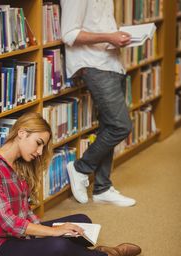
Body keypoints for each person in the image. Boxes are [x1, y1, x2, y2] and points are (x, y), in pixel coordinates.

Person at [0, 112, 141, 256]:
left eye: (42, 147)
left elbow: (25, 210)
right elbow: (9, 222)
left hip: (22, 236)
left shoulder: (18, 164)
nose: (39, 152)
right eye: (38, 143)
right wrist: (53, 232)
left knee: (82, 222)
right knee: (58, 244)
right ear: (21, 133)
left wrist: (43, 234)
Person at [60, 0, 136, 207]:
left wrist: (117, 36)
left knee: (109, 126)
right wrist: (109, 36)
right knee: (121, 126)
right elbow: (69, 34)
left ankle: (102, 187)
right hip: (94, 65)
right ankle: (80, 168)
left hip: (112, 63)